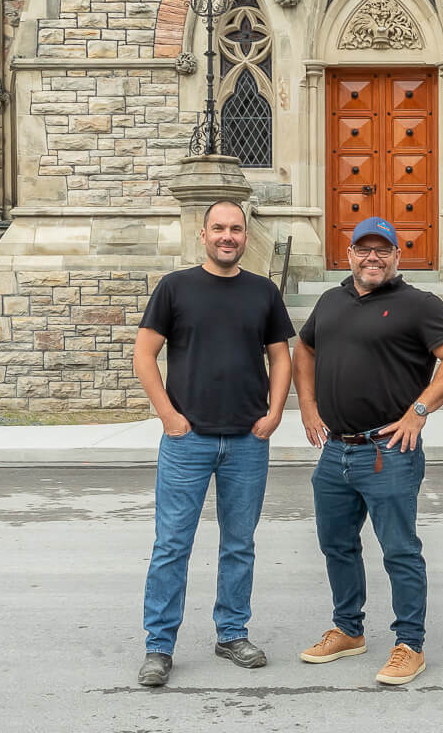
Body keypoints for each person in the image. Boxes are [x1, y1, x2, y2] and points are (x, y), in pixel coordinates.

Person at [293, 215, 443, 687]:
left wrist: (419, 410)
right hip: (335, 451)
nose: (372, 257)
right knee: (336, 545)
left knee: (399, 551)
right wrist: (308, 406)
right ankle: (348, 630)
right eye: (363, 249)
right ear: (349, 254)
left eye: (382, 250)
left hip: (387, 451)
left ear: (397, 255)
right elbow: (305, 349)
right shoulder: (331, 301)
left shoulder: (418, 305)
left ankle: (409, 645)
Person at [131, 199, 295, 689]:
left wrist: (274, 414)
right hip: (188, 441)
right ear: (203, 234)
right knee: (171, 545)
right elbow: (144, 354)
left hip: (247, 441)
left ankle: (232, 634)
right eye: (219, 228)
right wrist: (168, 416)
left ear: (246, 236)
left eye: (236, 229)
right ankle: (159, 646)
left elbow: (281, 357)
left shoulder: (263, 292)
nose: (228, 236)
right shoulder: (175, 287)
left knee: (239, 544)